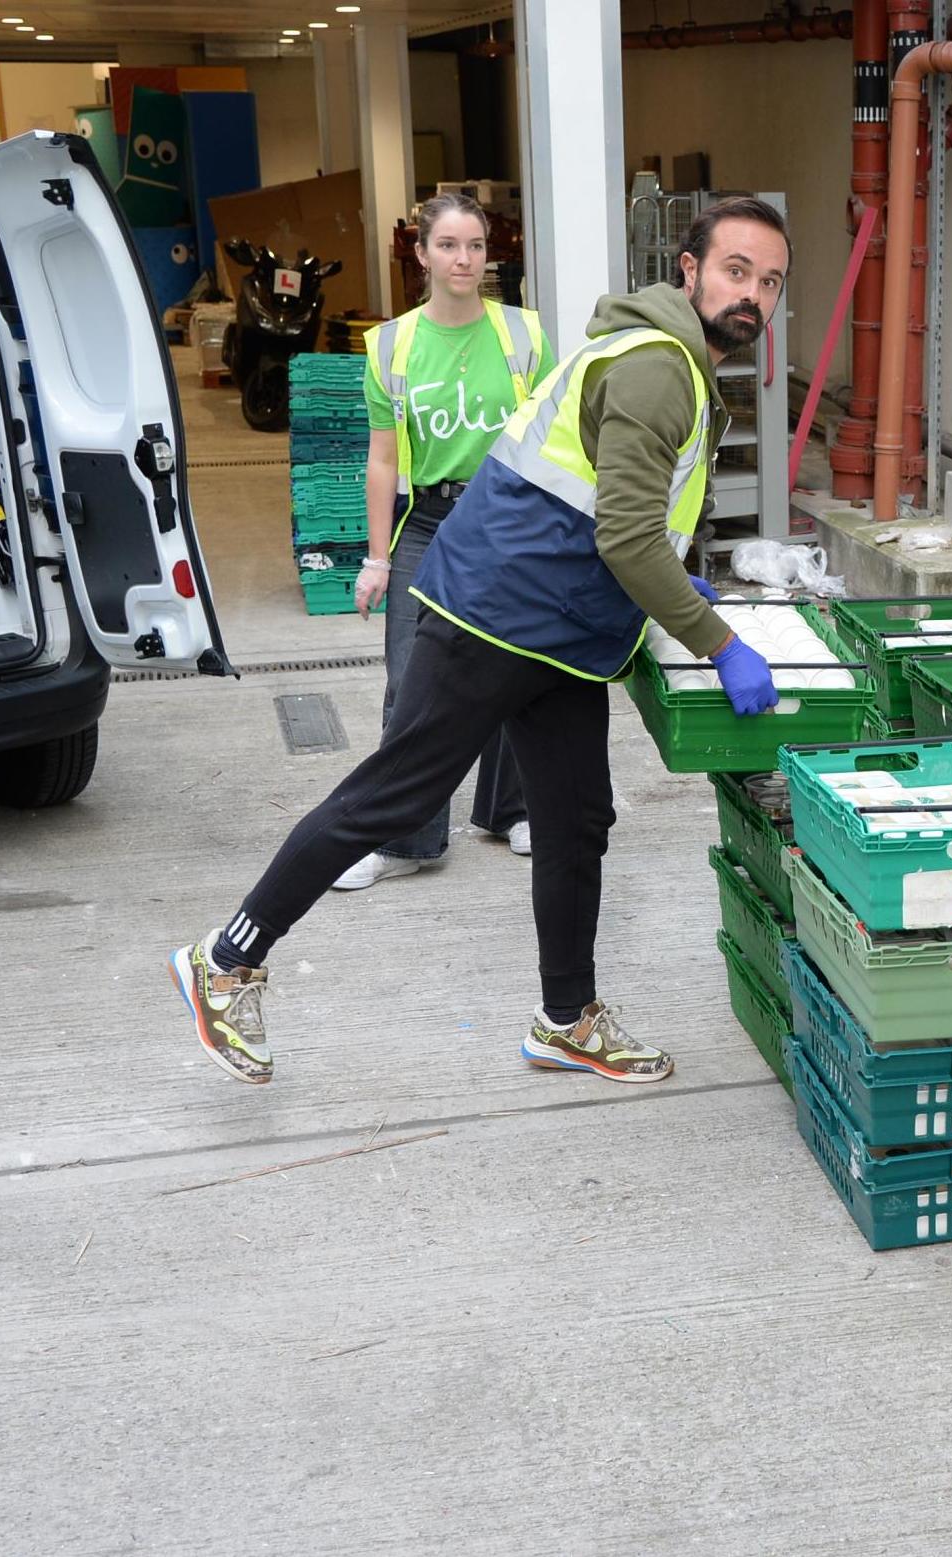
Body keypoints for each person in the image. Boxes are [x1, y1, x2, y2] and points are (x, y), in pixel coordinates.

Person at [170, 197, 791, 1088]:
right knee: (395, 796)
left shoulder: (667, 359)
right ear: (689, 271)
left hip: (562, 626)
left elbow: (618, 516)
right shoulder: (660, 365)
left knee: (575, 820)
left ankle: (566, 1019)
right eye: (737, 270)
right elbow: (623, 534)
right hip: (502, 612)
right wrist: (717, 639)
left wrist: (668, 579)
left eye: (769, 282)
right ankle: (224, 961)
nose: (753, 295)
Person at [342, 192, 555, 891]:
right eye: (449, 246)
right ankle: (406, 837)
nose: (464, 259)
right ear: (422, 252)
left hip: (507, 519)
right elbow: (381, 460)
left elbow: (551, 439)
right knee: (411, 679)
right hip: (428, 522)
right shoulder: (392, 344)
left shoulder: (523, 333)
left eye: (475, 246)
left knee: (518, 667)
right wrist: (376, 560)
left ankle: (511, 808)